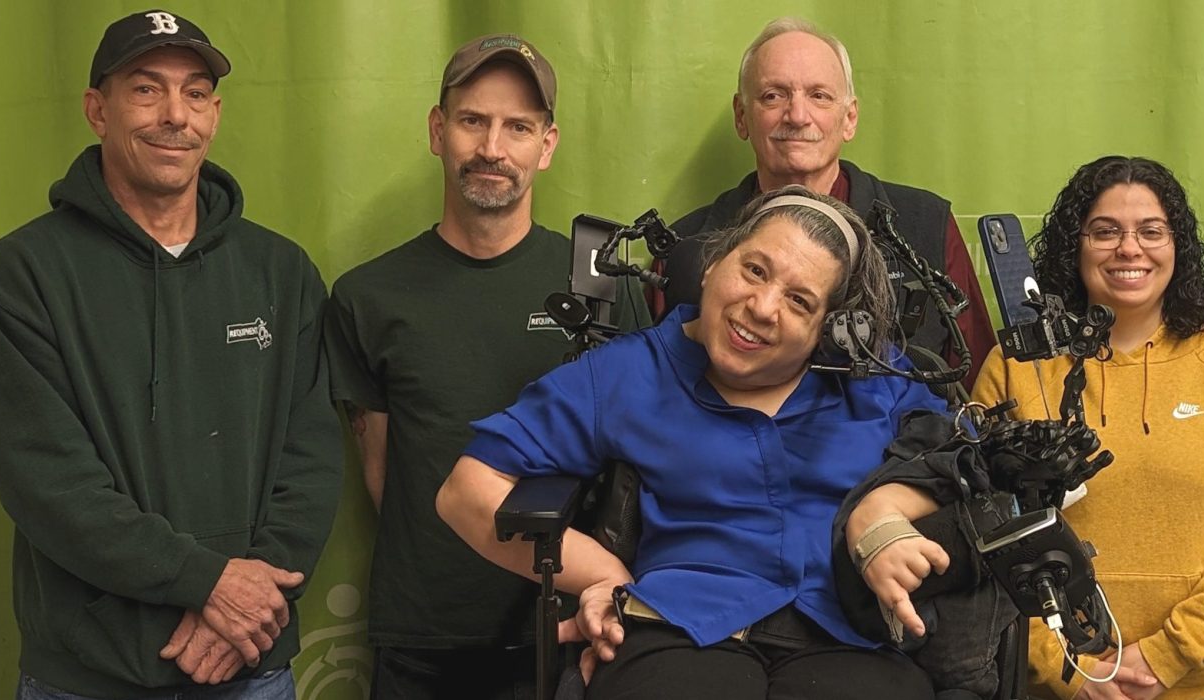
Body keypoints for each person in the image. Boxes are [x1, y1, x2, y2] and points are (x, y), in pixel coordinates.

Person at [436, 186, 947, 699]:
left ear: (828, 329)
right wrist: (602, 575)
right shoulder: (626, 373)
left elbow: (963, 458)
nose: (762, 307)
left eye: (800, 301)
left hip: (849, 632)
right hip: (681, 627)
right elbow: (467, 491)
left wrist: (882, 509)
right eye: (754, 270)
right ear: (713, 264)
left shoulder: (872, 377)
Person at [0, 9, 341, 698]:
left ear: (215, 112)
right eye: (146, 89)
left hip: (249, 667)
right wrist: (207, 583)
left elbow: (312, 460)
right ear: (97, 109)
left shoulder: (281, 273)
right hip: (88, 676)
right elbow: (48, 483)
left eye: (196, 92)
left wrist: (246, 610)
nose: (177, 115)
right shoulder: (25, 274)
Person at [324, 34, 647, 700]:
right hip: (422, 639)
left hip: (570, 630)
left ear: (547, 145)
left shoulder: (602, 286)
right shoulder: (368, 295)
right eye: (473, 120)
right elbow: (383, 474)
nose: (493, 148)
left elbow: (643, 457)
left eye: (518, 127)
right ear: (438, 130)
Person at [968, 156, 1204, 700]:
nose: (1130, 249)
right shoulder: (1016, 365)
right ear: (1074, 247)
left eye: (1151, 231)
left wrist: (1168, 654)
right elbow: (984, 532)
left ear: (1179, 246)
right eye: (1105, 232)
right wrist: (1068, 670)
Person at [651, 17, 995, 388]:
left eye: (819, 96)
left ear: (849, 118)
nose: (798, 116)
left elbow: (975, 386)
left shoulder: (926, 225)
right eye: (773, 95)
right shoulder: (687, 245)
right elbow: (657, 385)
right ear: (741, 116)